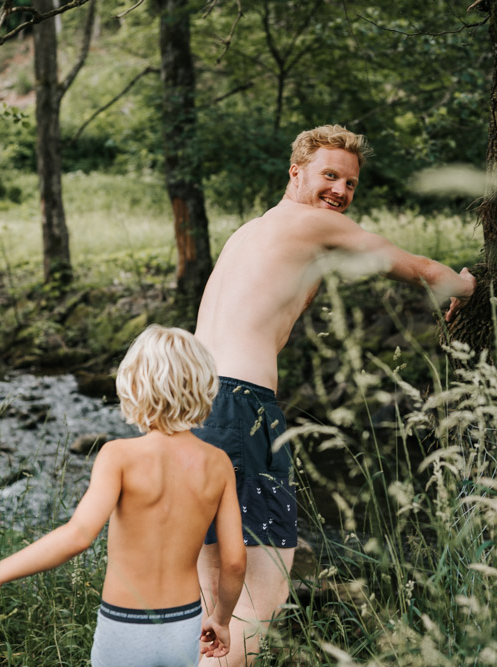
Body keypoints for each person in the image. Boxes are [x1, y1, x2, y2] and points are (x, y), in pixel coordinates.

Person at [192, 124, 477, 665]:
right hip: (240, 404)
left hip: (195, 406)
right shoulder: (313, 223)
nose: (341, 192)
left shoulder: (249, 232)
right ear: (295, 171)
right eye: (330, 175)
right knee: (262, 588)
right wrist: (469, 283)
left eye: (350, 184)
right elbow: (416, 269)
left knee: (211, 597)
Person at [0, 325, 247, 667]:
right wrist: (221, 618)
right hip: (182, 623)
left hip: (125, 624)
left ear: (134, 387)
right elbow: (233, 560)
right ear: (204, 388)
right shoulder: (218, 464)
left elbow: (79, 535)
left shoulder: (118, 456)